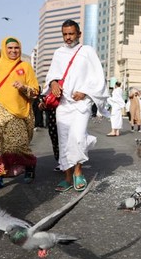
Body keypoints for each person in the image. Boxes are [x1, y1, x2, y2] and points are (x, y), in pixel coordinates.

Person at [44, 19, 109, 192]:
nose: (68, 37)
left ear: (79, 34)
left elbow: (98, 78)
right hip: (63, 105)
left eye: (71, 33)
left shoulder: (87, 51)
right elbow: (51, 76)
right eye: (65, 34)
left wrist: (85, 92)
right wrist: (53, 84)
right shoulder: (58, 53)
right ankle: (67, 177)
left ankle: (78, 172)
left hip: (82, 103)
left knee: (78, 137)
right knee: (64, 140)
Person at [0, 37, 39, 192]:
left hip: (18, 111)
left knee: (17, 145)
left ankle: (30, 164)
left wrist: (23, 87)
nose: (13, 51)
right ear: (4, 49)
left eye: (16, 48)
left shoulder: (25, 66)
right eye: (10, 48)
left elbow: (35, 91)